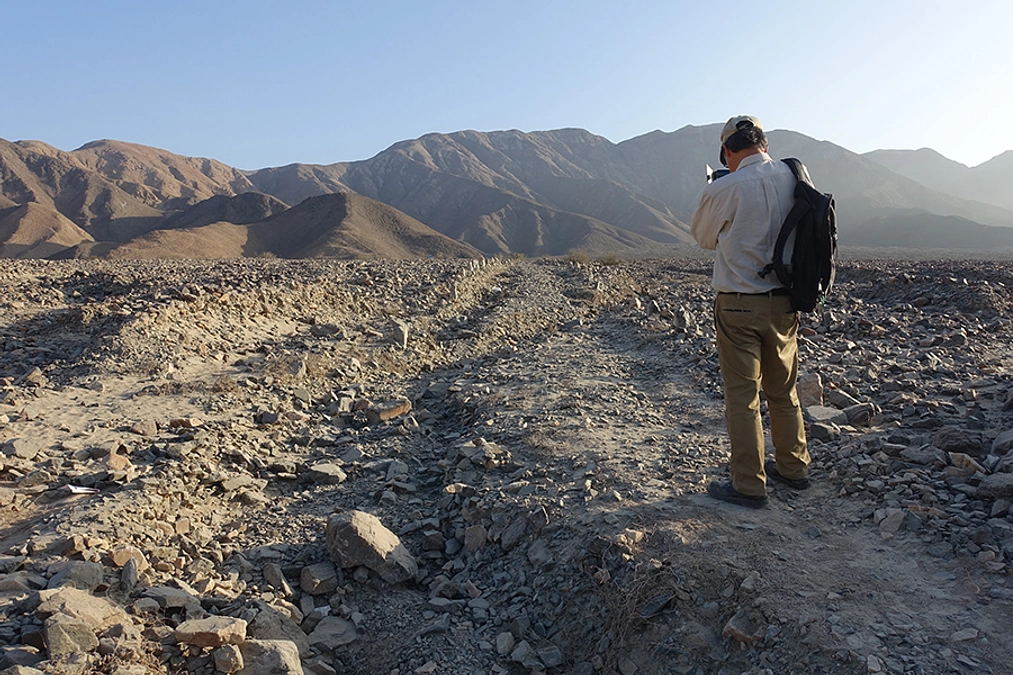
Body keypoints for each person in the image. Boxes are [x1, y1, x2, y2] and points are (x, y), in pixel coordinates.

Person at [690, 115, 811, 509]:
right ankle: (794, 468)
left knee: (743, 397)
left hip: (738, 303)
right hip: (785, 303)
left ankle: (748, 484)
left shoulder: (726, 186)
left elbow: (705, 239)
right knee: (784, 390)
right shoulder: (795, 177)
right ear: (764, 143)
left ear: (727, 150)